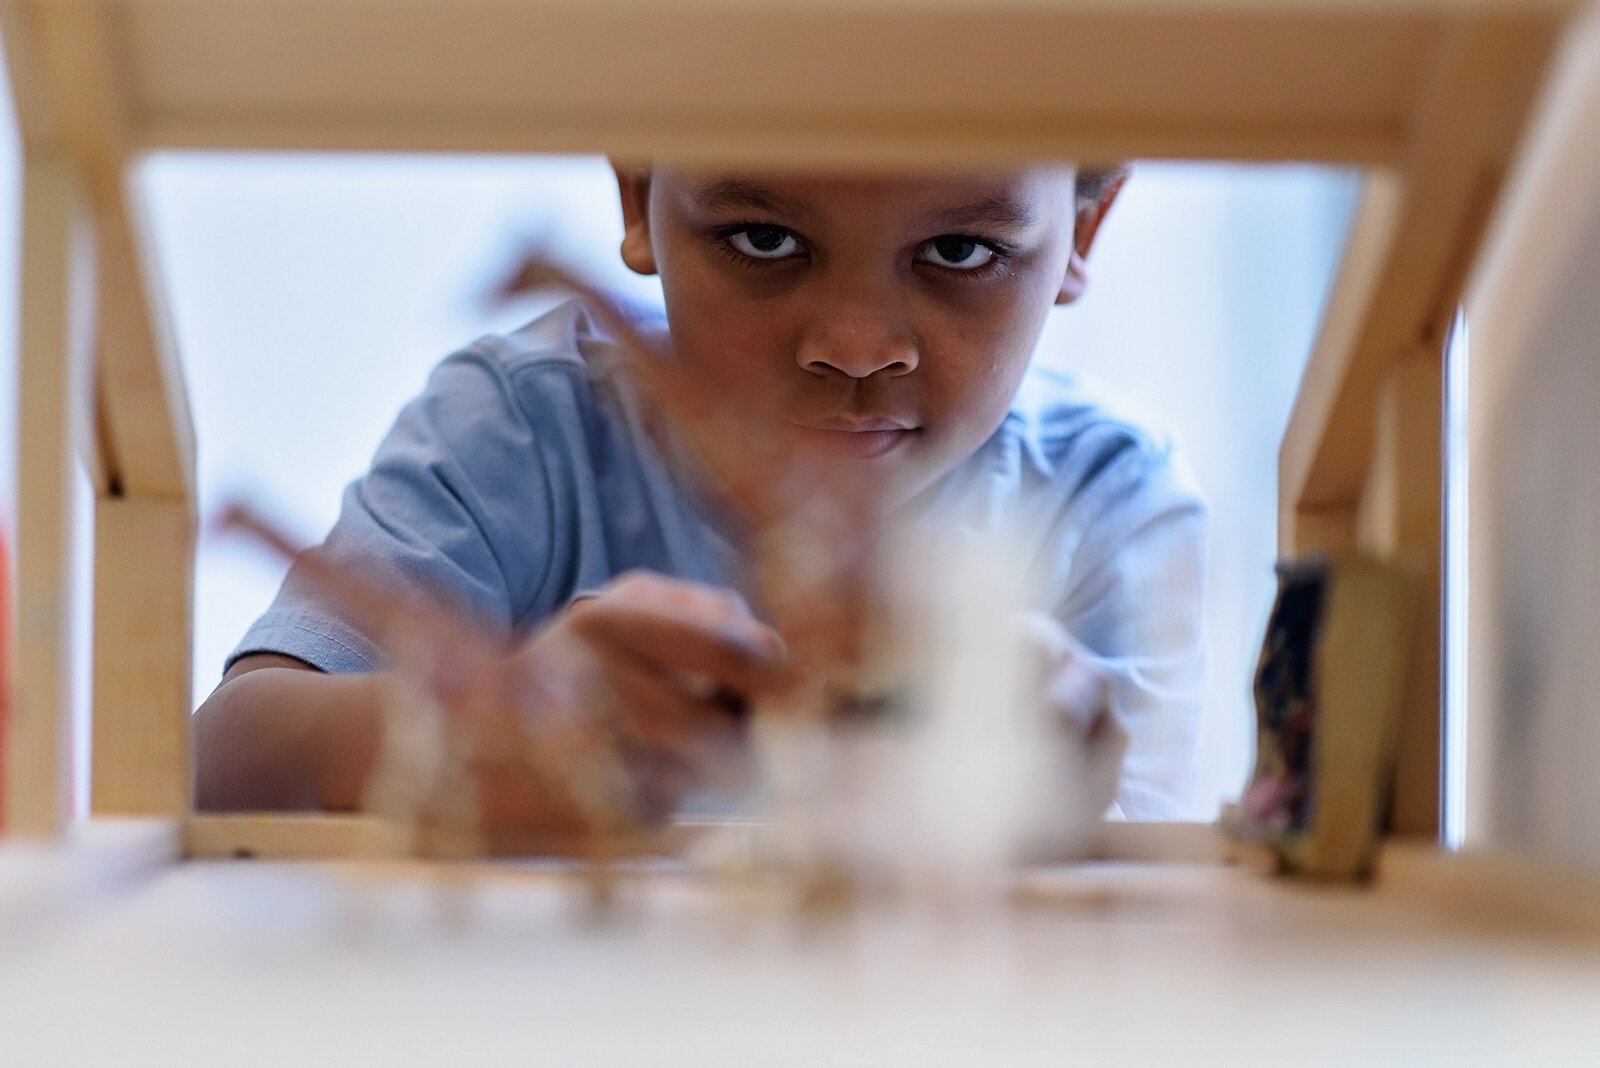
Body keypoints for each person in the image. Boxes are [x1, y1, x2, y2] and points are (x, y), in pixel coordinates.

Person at [192, 163, 1208, 837]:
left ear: (1083, 228)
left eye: (959, 252)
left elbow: (1152, 903)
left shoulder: (1108, 496)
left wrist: (1066, 786)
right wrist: (461, 738)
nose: (855, 348)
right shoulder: (523, 429)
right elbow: (213, 764)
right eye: (763, 238)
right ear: (639, 196)